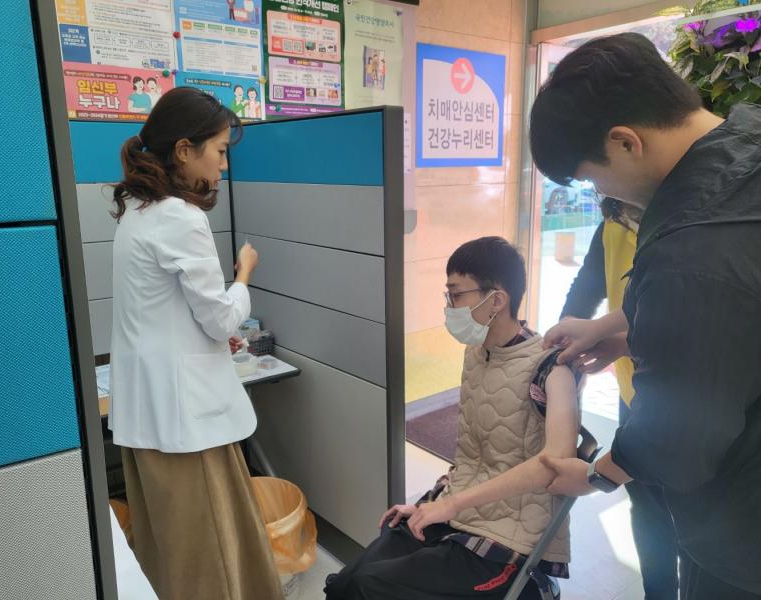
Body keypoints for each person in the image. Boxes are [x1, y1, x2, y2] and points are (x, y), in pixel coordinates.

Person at [529, 33, 761, 599]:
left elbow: (682, 440)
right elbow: (736, 323)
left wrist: (595, 474)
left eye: (591, 177)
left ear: (625, 142)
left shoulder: (691, 245)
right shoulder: (748, 139)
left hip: (743, 533)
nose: (600, 193)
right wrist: (630, 334)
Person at [325, 237, 580, 600]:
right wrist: (433, 501)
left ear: (497, 299)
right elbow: (474, 459)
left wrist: (449, 505)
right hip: (460, 513)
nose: (449, 307)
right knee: (345, 584)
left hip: (507, 539)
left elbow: (556, 464)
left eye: (456, 295)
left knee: (371, 587)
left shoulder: (551, 368)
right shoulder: (477, 353)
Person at [109, 87, 284, 600]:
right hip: (186, 425)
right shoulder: (181, 218)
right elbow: (219, 317)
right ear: (185, 150)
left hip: (148, 414)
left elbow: (161, 313)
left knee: (170, 550)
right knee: (211, 557)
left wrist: (210, 335)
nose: (224, 166)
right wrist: (244, 275)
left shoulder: (138, 212)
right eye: (220, 151)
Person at [560, 199, 681, 599]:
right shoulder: (615, 219)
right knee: (646, 507)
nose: (598, 189)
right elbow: (588, 287)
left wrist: (597, 476)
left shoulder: (688, 224)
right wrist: (566, 349)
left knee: (693, 518)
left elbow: (691, 327)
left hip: (682, 397)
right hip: (635, 392)